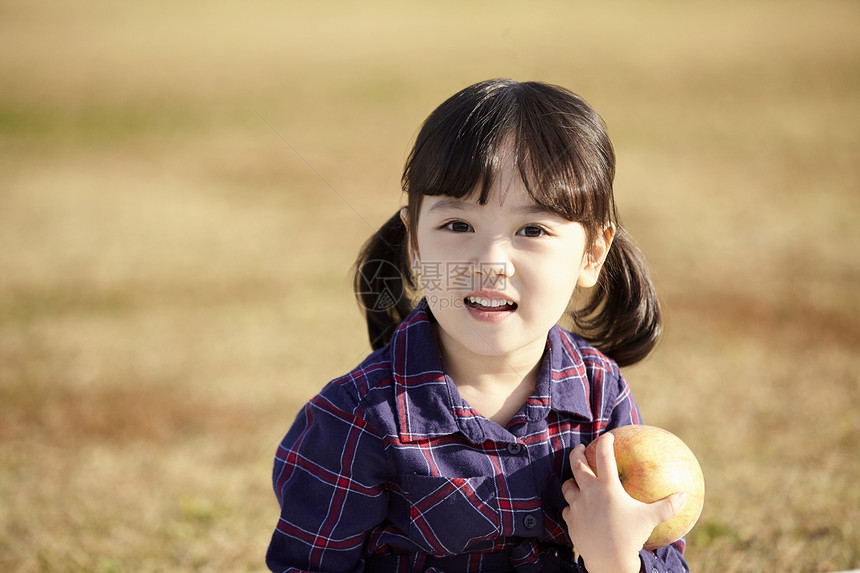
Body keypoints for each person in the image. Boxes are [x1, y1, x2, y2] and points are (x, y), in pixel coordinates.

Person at [266, 79, 690, 573]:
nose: (491, 263)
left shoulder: (600, 393)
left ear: (592, 254)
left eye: (532, 230)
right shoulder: (356, 419)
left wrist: (614, 558)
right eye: (458, 225)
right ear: (416, 244)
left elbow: (663, 560)